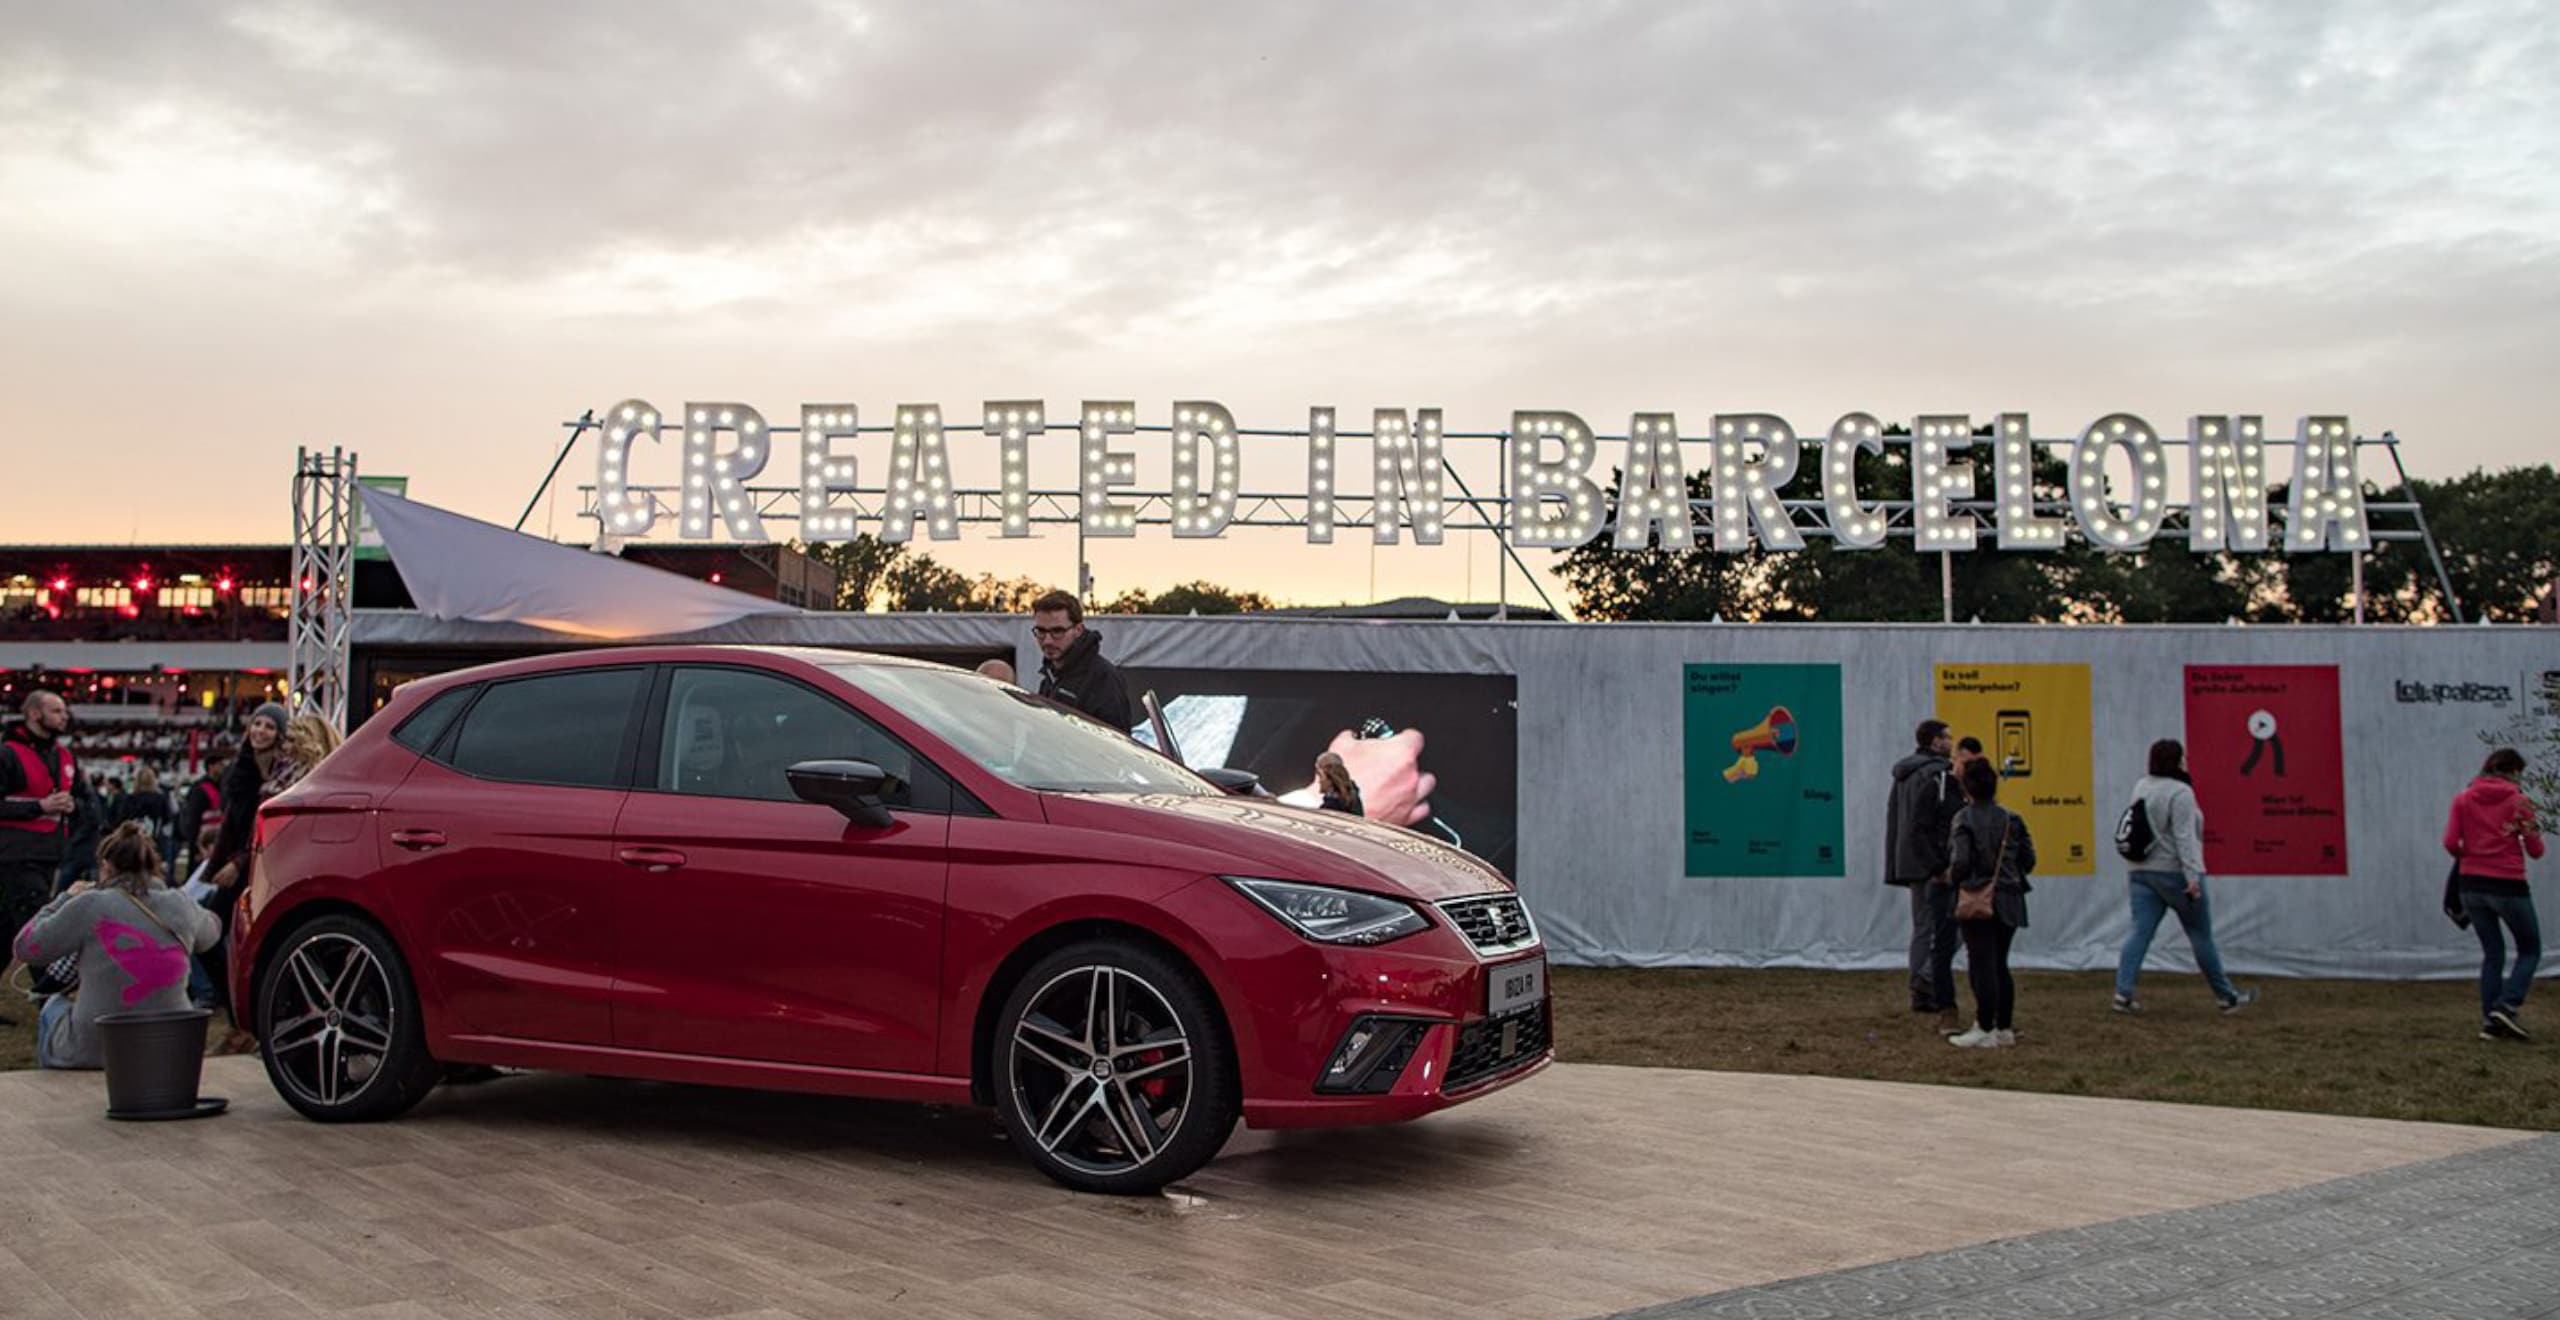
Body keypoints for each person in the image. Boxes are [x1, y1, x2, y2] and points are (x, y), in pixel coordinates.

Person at [10, 821, 220, 1069]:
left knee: (52, 1008)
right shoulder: (179, 904)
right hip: (168, 1045)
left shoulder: (90, 905)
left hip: (99, 1047)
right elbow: (213, 932)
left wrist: (64, 899)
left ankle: (55, 1084)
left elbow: (26, 946)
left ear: (107, 867)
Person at [2114, 739, 2258, 1016]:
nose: (2186, 762)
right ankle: (2226, 997)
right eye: (2183, 758)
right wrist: (2192, 877)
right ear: (2176, 761)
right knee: (2200, 935)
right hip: (2175, 873)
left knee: (2139, 933)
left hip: (2141, 872)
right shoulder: (2181, 792)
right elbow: (2185, 838)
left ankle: (2123, 993)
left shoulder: (2142, 785)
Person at [196, 701, 291, 1052]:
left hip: (263, 867)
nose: (260, 731)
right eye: (256, 724)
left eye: (268, 726)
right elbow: (234, 827)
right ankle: (238, 1016)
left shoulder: (285, 775)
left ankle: (250, 1021)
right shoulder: (242, 774)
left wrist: (237, 862)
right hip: (239, 867)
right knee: (207, 933)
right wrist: (217, 863)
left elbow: (268, 832)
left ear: (280, 734)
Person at [2446, 747, 2546, 1041]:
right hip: (2508, 885)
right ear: (2514, 771)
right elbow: (2536, 850)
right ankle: (2508, 1005)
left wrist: (2471, 856)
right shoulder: (2520, 802)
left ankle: (2491, 1021)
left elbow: (2451, 842)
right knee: (2530, 949)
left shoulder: (2462, 799)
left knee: (2493, 953)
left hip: (2471, 885)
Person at [2, 691, 90, 1019]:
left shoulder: (64, 755)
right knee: (39, 925)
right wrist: (38, 807)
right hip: (14, 854)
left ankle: (50, 999)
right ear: (35, 714)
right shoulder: (7, 754)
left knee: (6, 930)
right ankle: (52, 1002)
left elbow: (84, 800)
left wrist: (75, 806)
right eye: (56, 711)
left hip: (50, 852)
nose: (64, 716)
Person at [1947, 757, 2034, 1049]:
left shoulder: (1963, 819)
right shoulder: (2013, 819)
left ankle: (1983, 1026)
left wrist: (1953, 878)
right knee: (2000, 964)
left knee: (1981, 963)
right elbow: (2029, 860)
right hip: (2011, 897)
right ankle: (2004, 1027)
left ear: (1966, 788)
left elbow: (1961, 861)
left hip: (1977, 897)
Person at [1884, 719, 1965, 1027]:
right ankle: (1927, 979)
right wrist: (1941, 861)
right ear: (1934, 742)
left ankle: (1920, 989)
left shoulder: (1904, 773)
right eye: (1947, 737)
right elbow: (1939, 821)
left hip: (1908, 858)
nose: (1951, 742)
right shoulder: (1936, 774)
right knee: (1952, 927)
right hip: (1931, 860)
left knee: (1922, 927)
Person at [1031, 590, 1133, 729]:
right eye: (1041, 631)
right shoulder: (1051, 674)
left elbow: (1118, 743)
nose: (1047, 640)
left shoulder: (1104, 679)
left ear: (1078, 630)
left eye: (1057, 631)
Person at [112, 765, 175, 855]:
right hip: (154, 839)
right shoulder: (160, 798)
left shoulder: (130, 799)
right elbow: (167, 819)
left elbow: (121, 819)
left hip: (133, 841)